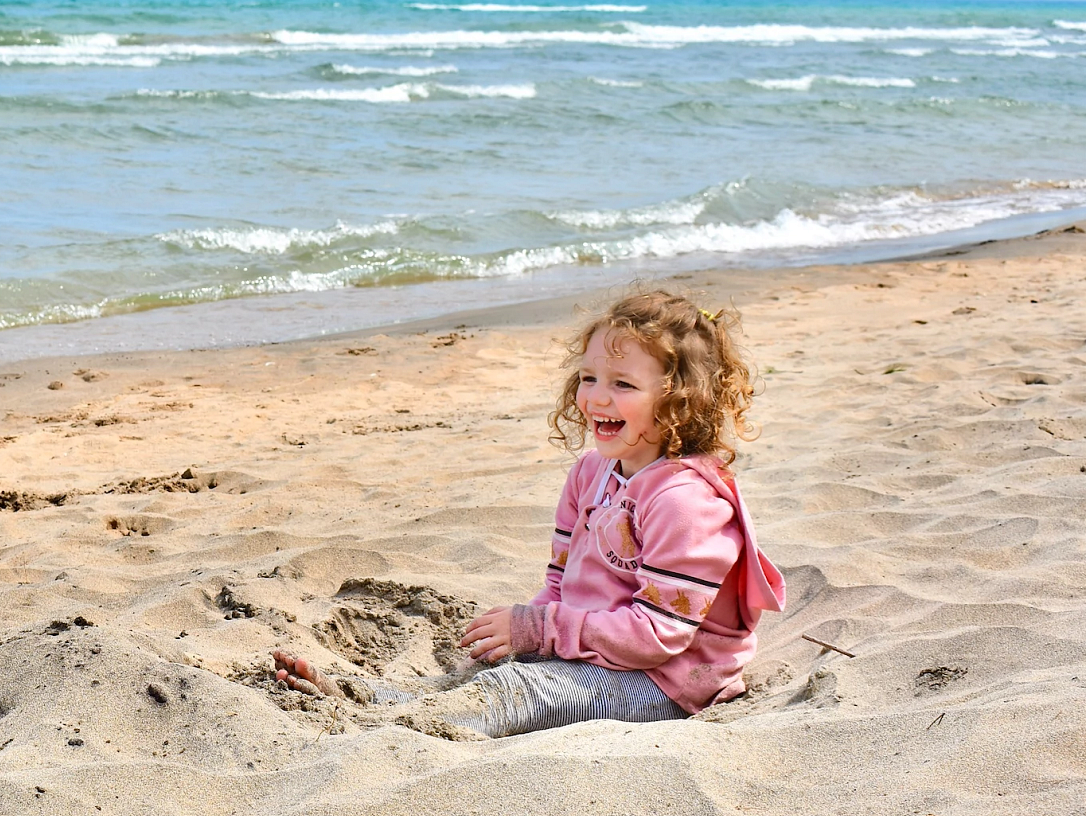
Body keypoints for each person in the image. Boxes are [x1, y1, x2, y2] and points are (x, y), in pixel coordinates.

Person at [273, 289, 785, 737]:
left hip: (667, 681)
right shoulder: (591, 473)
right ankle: (376, 700)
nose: (596, 397)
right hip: (603, 654)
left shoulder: (685, 503)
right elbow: (563, 585)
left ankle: (378, 726)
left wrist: (537, 629)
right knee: (494, 671)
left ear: (681, 402)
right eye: (589, 377)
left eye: (624, 385)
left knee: (516, 688)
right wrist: (530, 634)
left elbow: (658, 636)